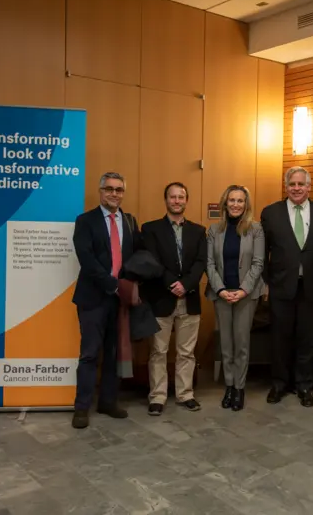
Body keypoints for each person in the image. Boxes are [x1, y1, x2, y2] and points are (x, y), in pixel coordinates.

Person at [71, 172, 141, 429]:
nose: (114, 194)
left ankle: (108, 402)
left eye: (119, 190)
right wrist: (111, 284)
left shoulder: (131, 222)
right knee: (89, 354)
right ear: (100, 191)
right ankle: (81, 408)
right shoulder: (85, 221)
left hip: (119, 300)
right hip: (93, 297)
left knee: (114, 353)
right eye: (109, 189)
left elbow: (136, 257)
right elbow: (86, 258)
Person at [260, 166, 313, 407]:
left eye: (301, 184)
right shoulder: (271, 213)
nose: (297, 188)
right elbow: (263, 252)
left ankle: (304, 385)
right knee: (280, 338)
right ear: (286, 186)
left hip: (312, 287)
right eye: (292, 184)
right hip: (281, 286)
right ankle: (279, 384)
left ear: (309, 187)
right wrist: (266, 282)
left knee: (308, 338)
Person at [141, 182, 207, 416]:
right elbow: (153, 261)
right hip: (161, 298)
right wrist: (172, 284)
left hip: (189, 299)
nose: (177, 201)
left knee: (186, 352)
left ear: (186, 200)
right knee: (158, 351)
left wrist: (186, 284)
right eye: (173, 197)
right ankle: (157, 396)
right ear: (166, 200)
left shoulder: (199, 231)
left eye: (181, 197)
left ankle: (185, 394)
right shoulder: (150, 229)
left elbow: (201, 262)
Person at [206, 185, 265, 412]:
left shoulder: (256, 229)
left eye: (240, 201)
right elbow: (209, 264)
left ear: (246, 205)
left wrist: (243, 290)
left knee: (241, 344)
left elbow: (258, 263)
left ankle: (239, 388)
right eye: (232, 200)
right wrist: (221, 290)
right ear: (225, 203)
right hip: (221, 294)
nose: (235, 204)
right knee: (226, 344)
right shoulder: (214, 230)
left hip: (245, 295)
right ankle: (228, 386)